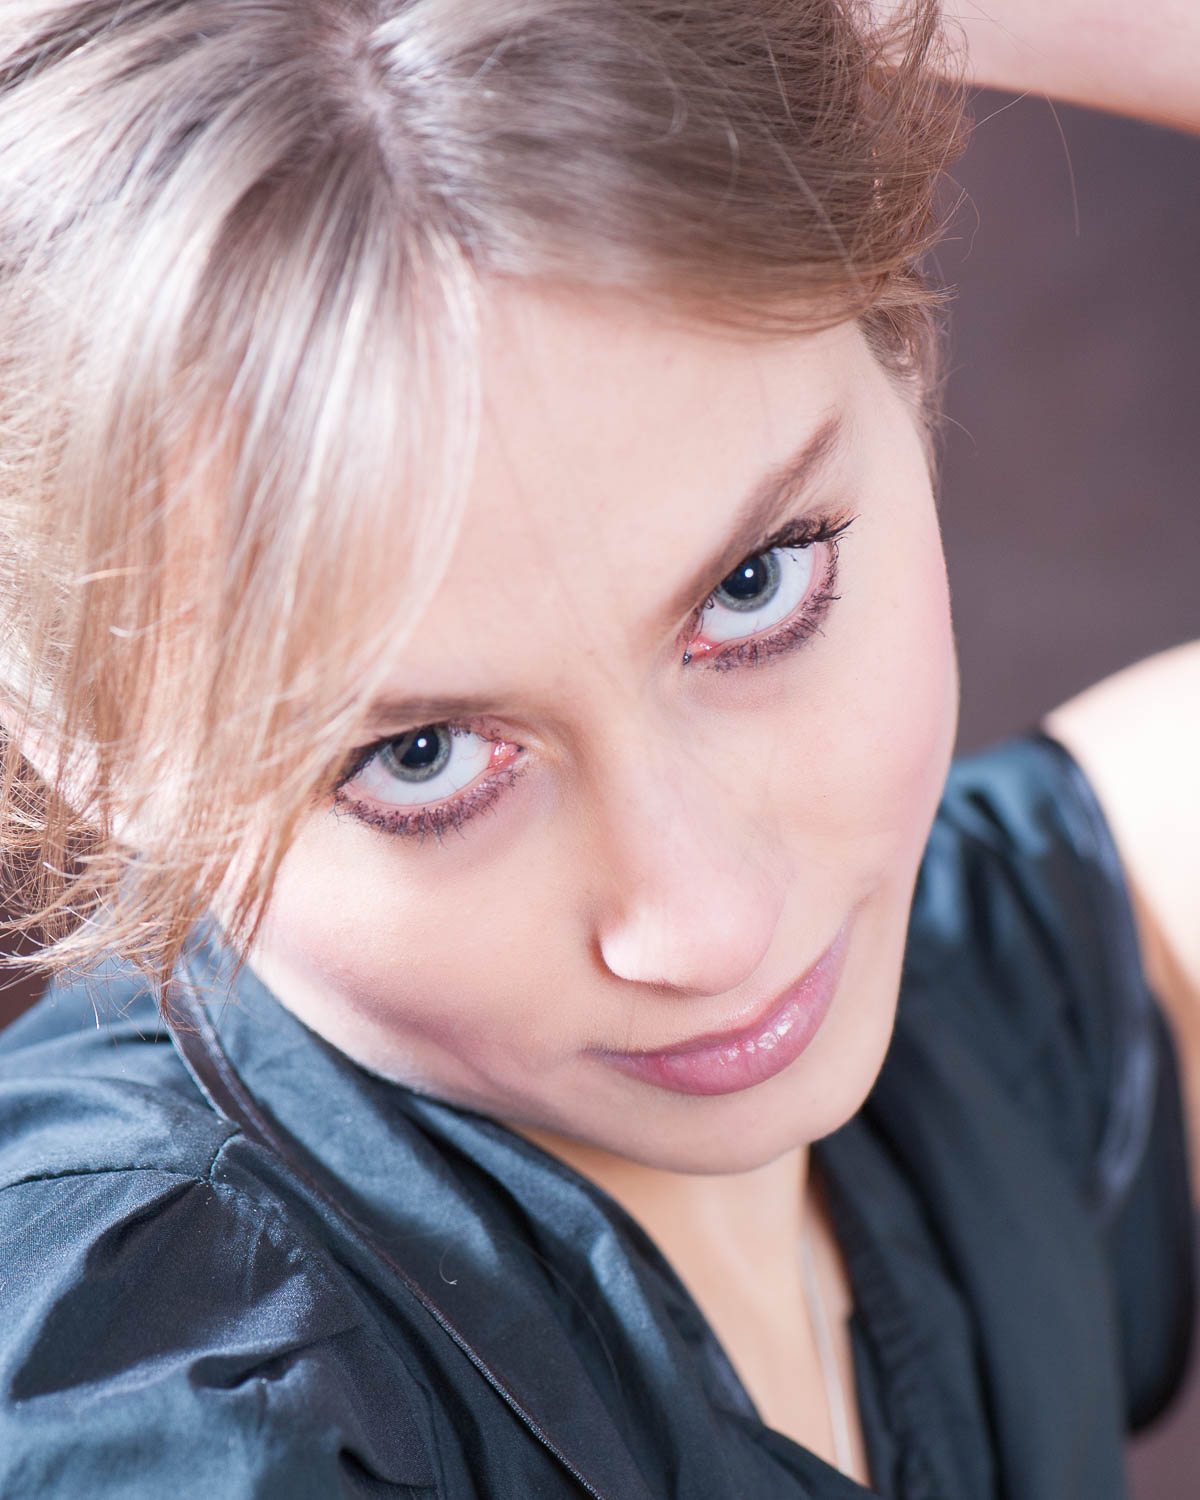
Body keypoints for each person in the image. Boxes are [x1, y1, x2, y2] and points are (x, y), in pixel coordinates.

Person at [0, 0, 1196, 1495]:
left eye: (758, 587)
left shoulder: (994, 1004)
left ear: (904, 355)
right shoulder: (167, 1393)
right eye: (425, 757)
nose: (713, 927)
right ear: (86, 750)